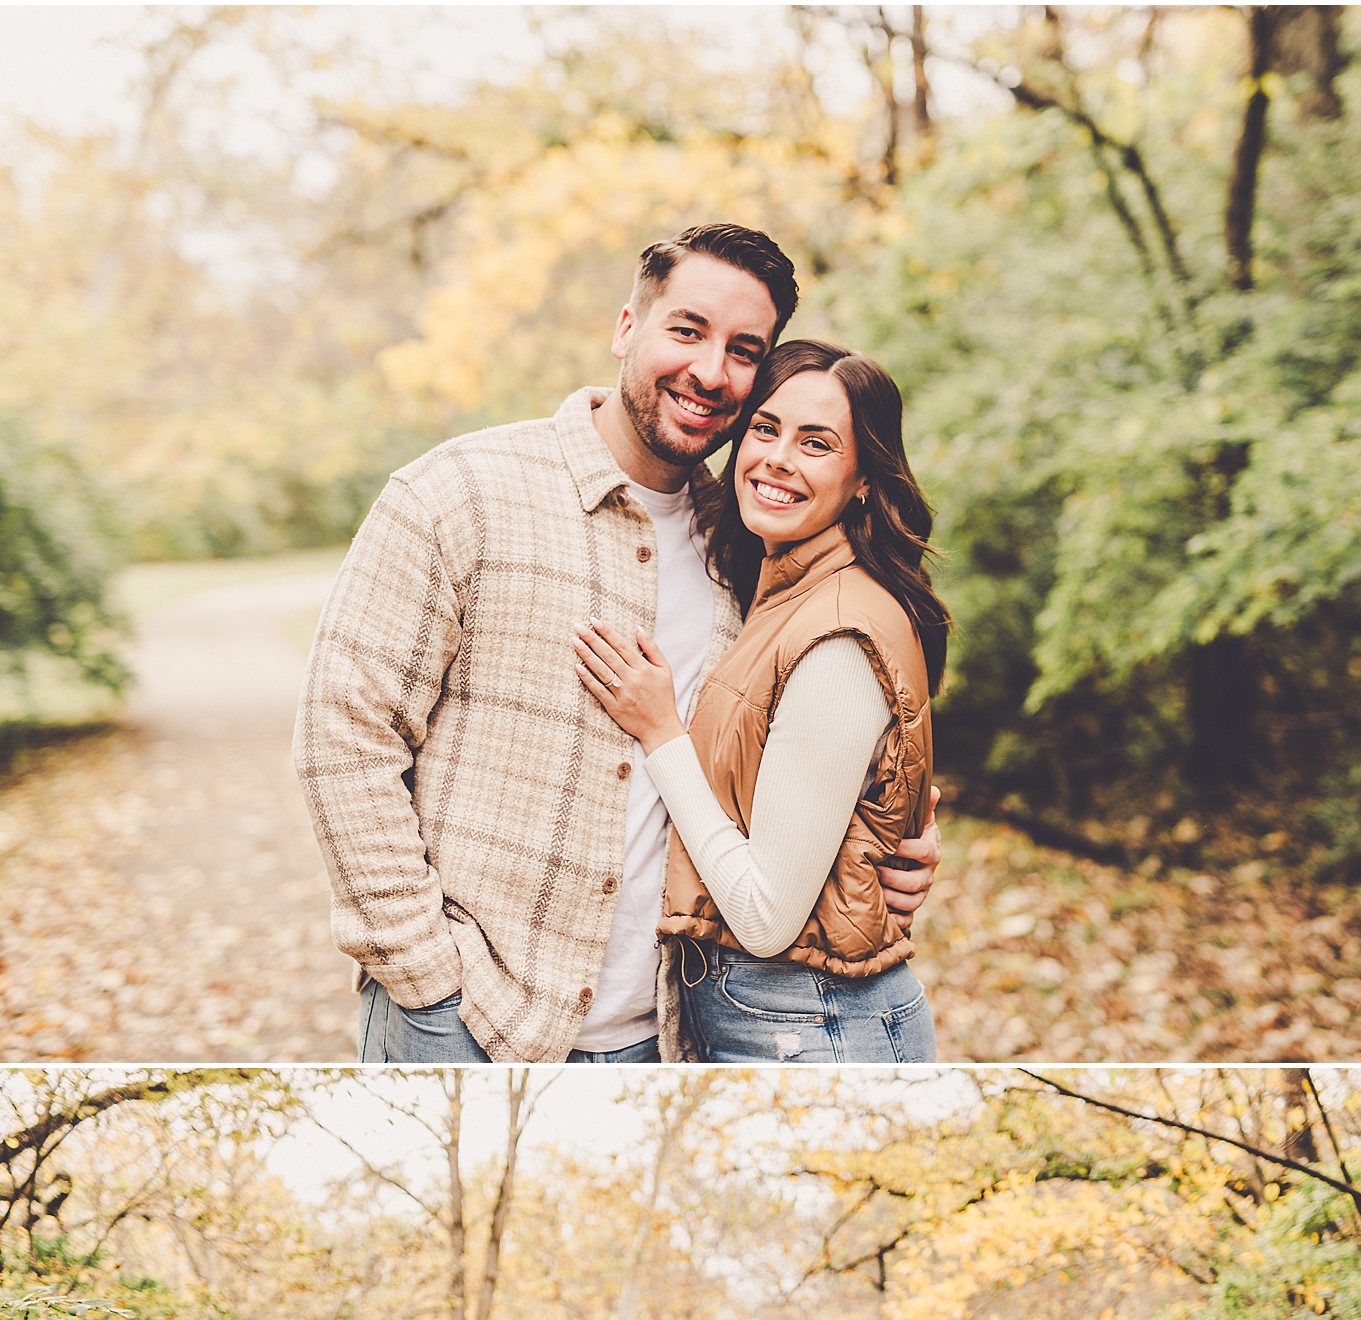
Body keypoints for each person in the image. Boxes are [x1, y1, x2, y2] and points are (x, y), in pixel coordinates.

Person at [294, 226, 943, 1065]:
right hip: (467, 1024)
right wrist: (424, 973)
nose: (710, 371)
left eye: (744, 350)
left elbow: (804, 750)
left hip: (666, 1036)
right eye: (687, 330)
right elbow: (341, 736)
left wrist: (886, 843)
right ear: (626, 326)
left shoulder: (748, 547)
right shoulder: (458, 495)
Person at [573, 339, 953, 1063]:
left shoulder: (840, 630)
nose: (778, 458)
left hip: (808, 1022)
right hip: (777, 1017)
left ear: (866, 477)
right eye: (766, 428)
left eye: (817, 442)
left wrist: (661, 733)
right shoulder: (785, 590)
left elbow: (766, 915)